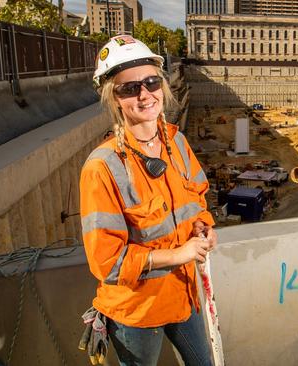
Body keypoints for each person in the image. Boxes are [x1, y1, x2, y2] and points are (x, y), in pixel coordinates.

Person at [79, 35, 217, 365]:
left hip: (183, 295)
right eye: (129, 88)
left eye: (151, 82)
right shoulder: (103, 168)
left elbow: (197, 198)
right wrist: (177, 254)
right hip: (136, 312)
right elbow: (106, 261)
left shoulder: (177, 143)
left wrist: (204, 225)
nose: (144, 94)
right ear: (113, 98)